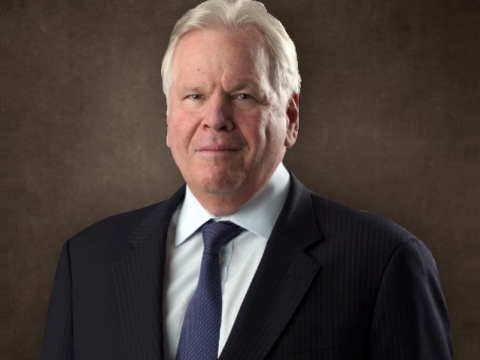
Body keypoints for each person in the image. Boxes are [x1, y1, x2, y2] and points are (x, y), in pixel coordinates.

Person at [40, 0, 453, 359]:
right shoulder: (88, 261)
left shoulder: (383, 262)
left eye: (243, 96)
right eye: (195, 96)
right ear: (168, 119)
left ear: (290, 118)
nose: (215, 119)